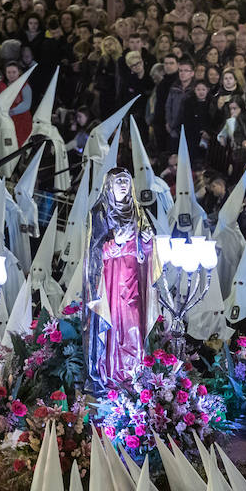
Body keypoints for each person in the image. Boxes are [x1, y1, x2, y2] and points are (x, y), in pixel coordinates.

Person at [84, 167, 161, 395]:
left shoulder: (138, 212)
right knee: (113, 326)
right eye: (118, 182)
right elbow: (93, 251)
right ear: (109, 185)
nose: (123, 185)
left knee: (133, 325)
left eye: (126, 181)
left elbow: (147, 250)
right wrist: (115, 243)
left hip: (133, 278)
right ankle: (111, 374)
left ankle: (133, 374)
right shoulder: (99, 212)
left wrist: (147, 242)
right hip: (109, 281)